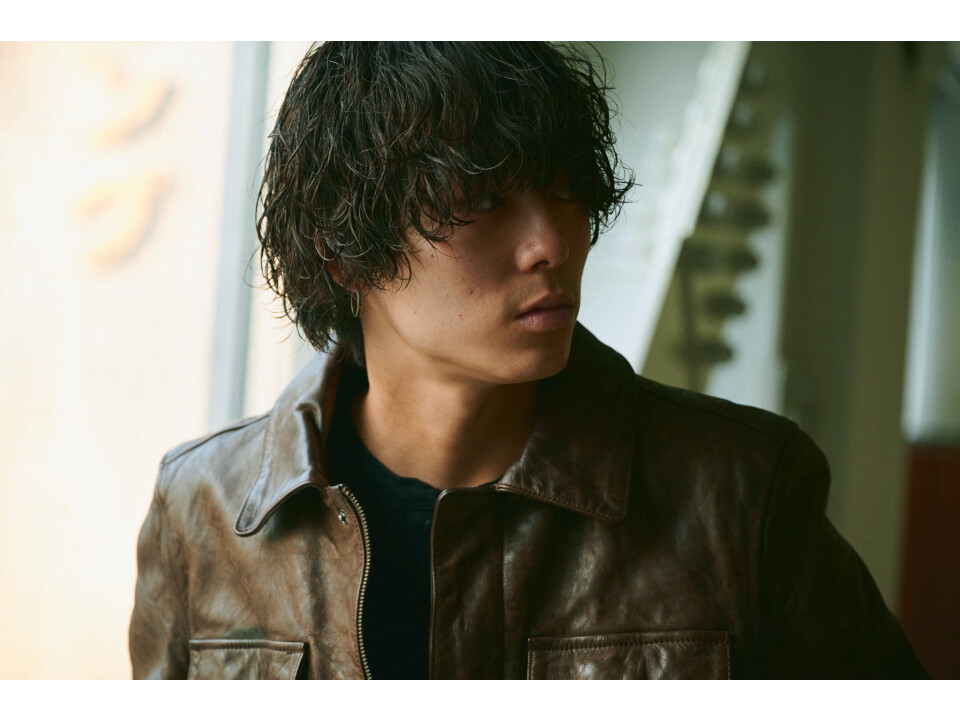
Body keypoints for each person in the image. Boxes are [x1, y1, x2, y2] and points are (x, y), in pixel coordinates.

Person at [129, 41, 927, 679]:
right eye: (484, 201)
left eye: (566, 189)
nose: (551, 243)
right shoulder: (204, 507)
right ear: (344, 254)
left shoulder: (741, 491)